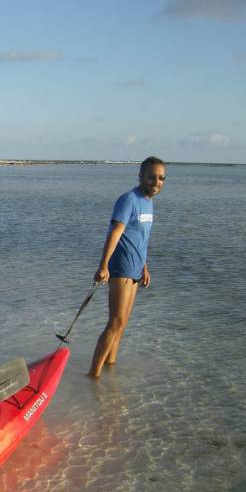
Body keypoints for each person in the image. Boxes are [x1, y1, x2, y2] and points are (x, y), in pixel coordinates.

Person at [88, 157, 166, 378]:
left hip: (135, 269)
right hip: (120, 268)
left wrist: (144, 266)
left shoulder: (148, 202)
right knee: (115, 322)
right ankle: (93, 376)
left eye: (161, 178)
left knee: (122, 325)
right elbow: (115, 233)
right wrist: (103, 266)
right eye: (151, 177)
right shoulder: (128, 200)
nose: (156, 182)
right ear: (141, 176)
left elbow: (140, 238)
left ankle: (109, 369)